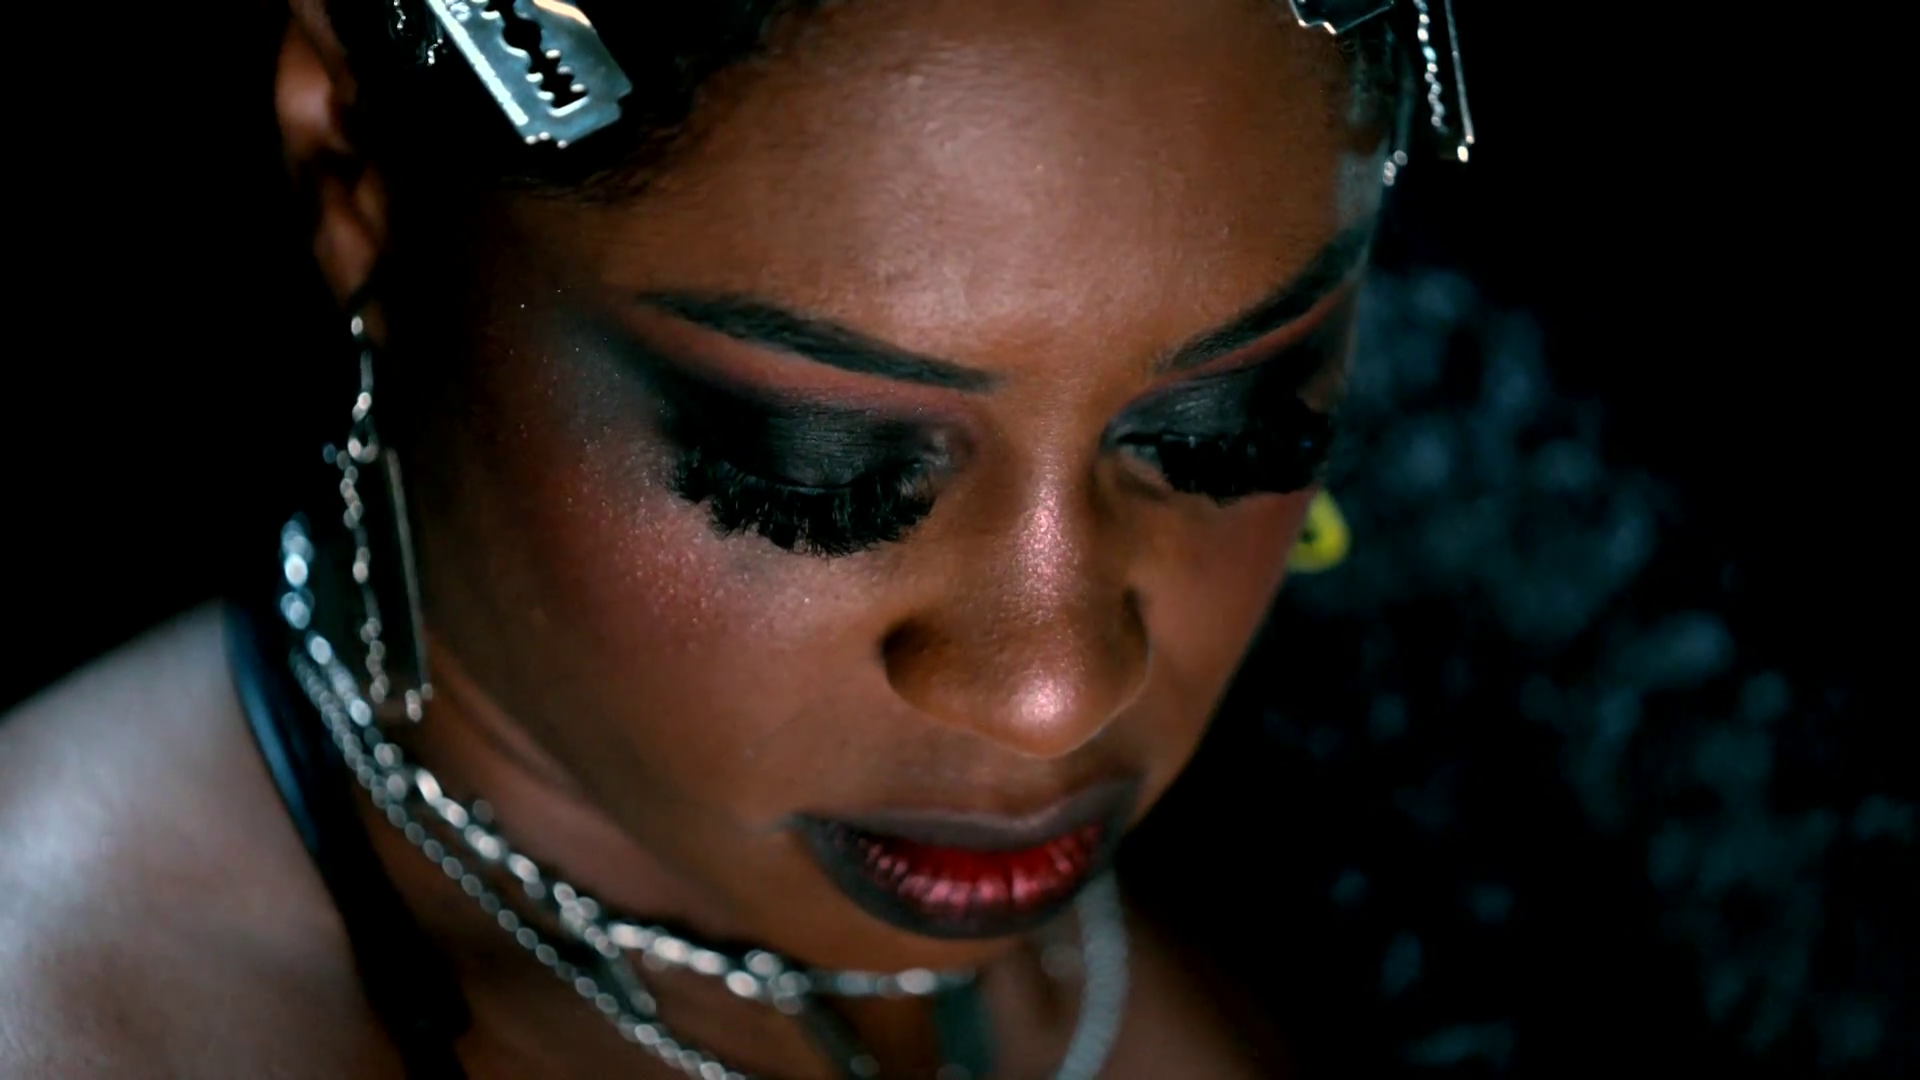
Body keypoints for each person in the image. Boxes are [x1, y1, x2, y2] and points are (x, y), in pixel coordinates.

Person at [0, 1, 1467, 1075]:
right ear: (355, 161)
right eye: (818, 471)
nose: (1053, 692)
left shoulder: (1444, 762)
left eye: (1225, 431)